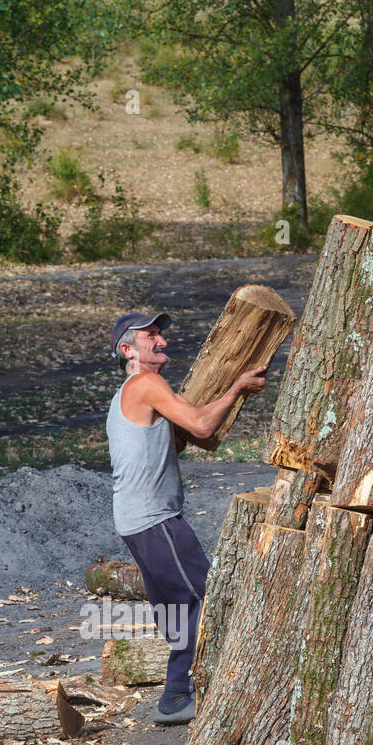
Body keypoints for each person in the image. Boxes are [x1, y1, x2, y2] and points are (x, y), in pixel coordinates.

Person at [106, 309, 266, 723]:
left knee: (178, 608)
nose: (160, 341)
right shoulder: (145, 383)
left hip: (133, 521)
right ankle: (210, 690)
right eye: (151, 336)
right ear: (128, 350)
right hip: (155, 519)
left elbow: (183, 440)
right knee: (210, 596)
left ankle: (176, 697)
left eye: (160, 334)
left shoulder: (134, 392)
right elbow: (200, 423)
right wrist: (236, 389)